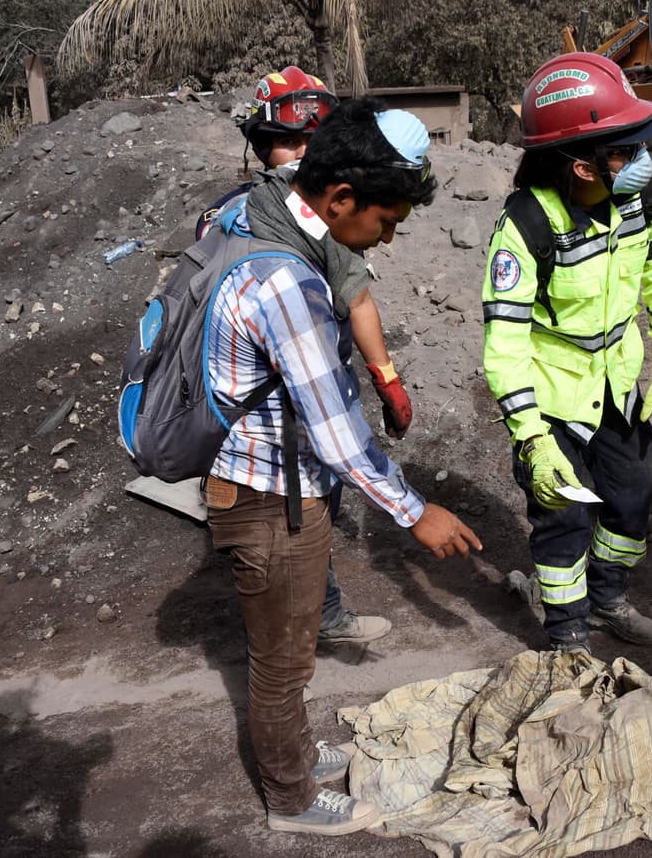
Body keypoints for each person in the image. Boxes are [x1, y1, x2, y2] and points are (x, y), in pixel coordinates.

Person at [203, 96, 482, 835]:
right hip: (268, 494)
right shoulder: (286, 283)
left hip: (269, 482)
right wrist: (415, 511)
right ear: (341, 197)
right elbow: (335, 434)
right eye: (384, 222)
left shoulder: (262, 224)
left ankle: (292, 750)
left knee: (289, 644)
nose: (385, 240)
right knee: (283, 657)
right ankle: (291, 798)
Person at [481, 52, 652, 654]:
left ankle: (608, 597)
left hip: (619, 381)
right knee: (562, 515)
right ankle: (568, 630)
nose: (644, 159)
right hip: (553, 393)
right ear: (581, 164)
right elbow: (505, 340)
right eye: (626, 146)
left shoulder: (646, 190)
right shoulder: (527, 222)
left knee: (631, 500)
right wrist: (530, 436)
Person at [202, 66, 411, 649]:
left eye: (309, 142)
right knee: (298, 512)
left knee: (303, 511)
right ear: (264, 146)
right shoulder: (257, 222)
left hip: (263, 411)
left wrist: (386, 376)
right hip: (271, 418)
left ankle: (306, 612)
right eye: (288, 142)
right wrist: (414, 512)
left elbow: (358, 299)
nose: (298, 153)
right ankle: (310, 622)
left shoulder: (246, 216)